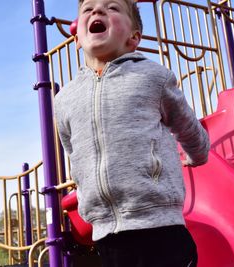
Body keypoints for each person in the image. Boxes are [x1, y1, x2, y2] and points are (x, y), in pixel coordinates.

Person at [54, 0, 210, 266]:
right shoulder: (65, 99)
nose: (97, 11)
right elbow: (73, 150)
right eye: (88, 8)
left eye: (112, 7)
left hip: (160, 226)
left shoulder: (153, 77)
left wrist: (196, 155)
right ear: (77, 37)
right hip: (106, 232)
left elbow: (188, 127)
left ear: (133, 38)